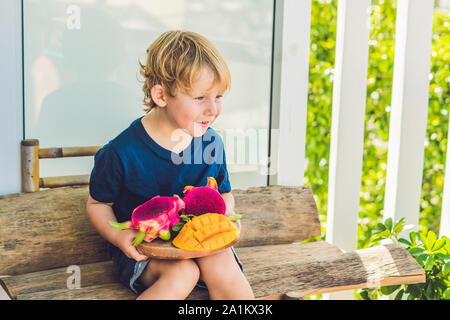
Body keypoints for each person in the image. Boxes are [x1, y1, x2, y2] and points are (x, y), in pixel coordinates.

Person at [86, 30, 255, 300]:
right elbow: (97, 204)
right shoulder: (120, 152)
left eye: (219, 96)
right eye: (200, 98)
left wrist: (226, 218)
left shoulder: (212, 144)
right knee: (183, 273)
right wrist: (119, 238)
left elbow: (223, 193)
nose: (213, 109)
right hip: (146, 252)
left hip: (201, 241)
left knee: (221, 264)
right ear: (161, 96)